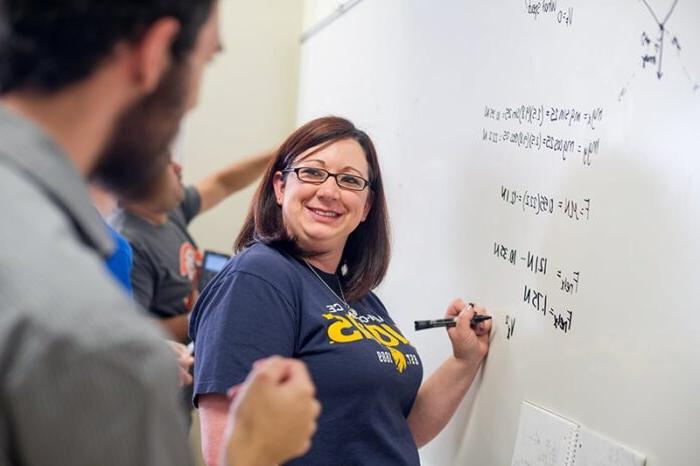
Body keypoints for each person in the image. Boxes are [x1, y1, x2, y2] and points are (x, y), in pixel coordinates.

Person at [0, 1, 319, 465]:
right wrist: (254, 451)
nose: (192, 100)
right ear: (155, 51)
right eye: (206, 61)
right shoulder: (101, 344)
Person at [190, 116, 493, 465]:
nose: (330, 192)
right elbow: (228, 455)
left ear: (366, 207)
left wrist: (463, 362)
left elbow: (394, 431)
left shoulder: (358, 297)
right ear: (280, 187)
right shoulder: (257, 278)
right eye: (313, 173)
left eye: (350, 180)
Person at [111, 151, 271, 343]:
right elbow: (134, 333)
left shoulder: (166, 210)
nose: (179, 168)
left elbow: (223, 183)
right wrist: (201, 313)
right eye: (167, 164)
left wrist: (281, 152)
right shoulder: (129, 243)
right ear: (141, 178)